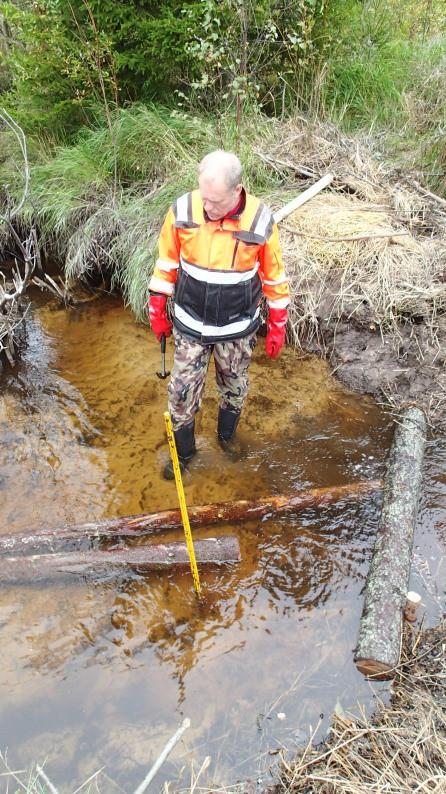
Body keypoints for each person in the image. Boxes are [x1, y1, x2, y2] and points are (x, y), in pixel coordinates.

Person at [148, 150, 289, 479]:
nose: (207, 208)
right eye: (204, 198)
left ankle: (226, 439)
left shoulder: (260, 220)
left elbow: (274, 278)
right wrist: (157, 305)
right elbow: (167, 264)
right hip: (190, 324)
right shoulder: (184, 209)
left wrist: (278, 323)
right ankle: (184, 456)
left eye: (215, 202)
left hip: (237, 328)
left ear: (237, 191)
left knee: (234, 388)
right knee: (180, 395)